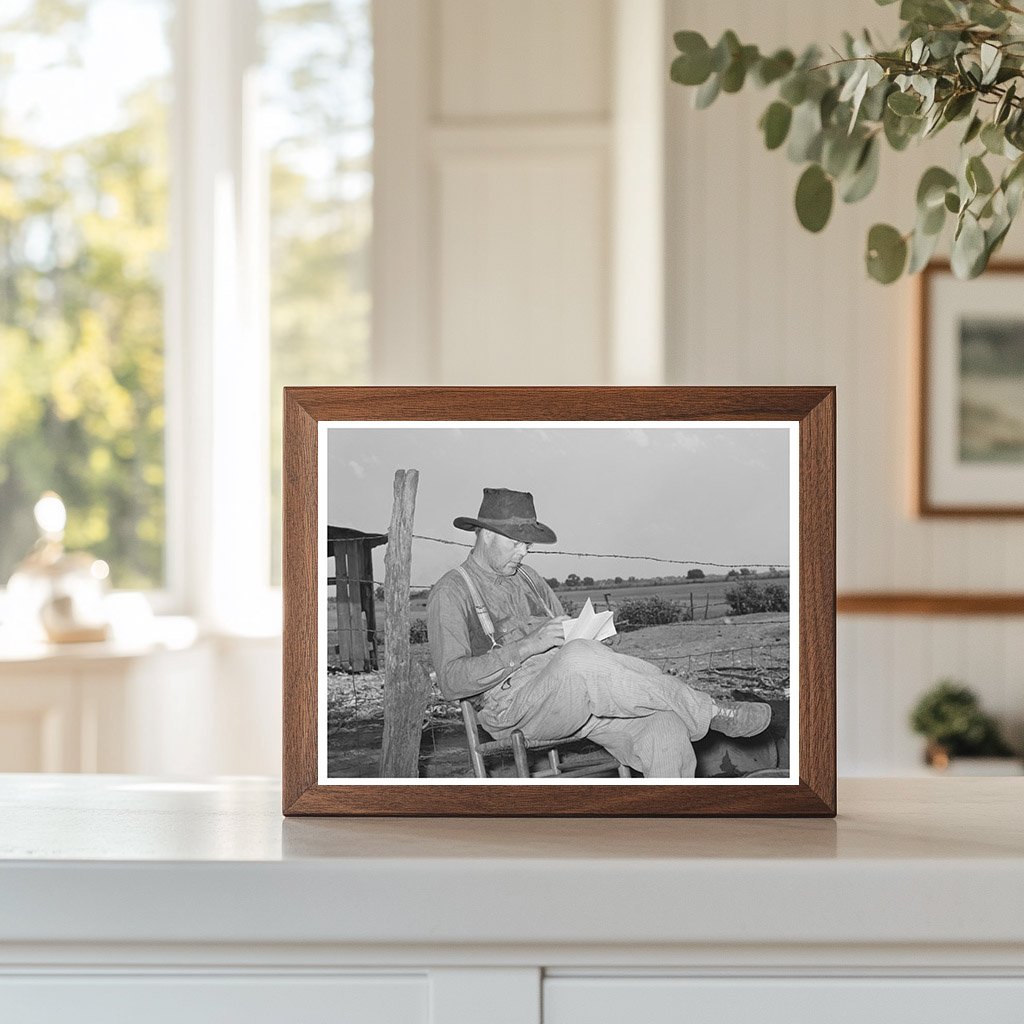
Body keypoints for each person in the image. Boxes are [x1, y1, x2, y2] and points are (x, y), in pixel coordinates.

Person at [426, 487, 772, 778]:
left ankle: (670, 837)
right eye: (517, 543)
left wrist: (592, 637)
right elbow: (452, 681)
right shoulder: (453, 591)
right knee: (581, 659)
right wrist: (529, 646)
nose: (525, 551)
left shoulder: (530, 579)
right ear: (486, 535)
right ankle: (710, 712)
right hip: (514, 710)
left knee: (666, 728)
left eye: (528, 544)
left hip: (575, 700)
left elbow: (568, 645)